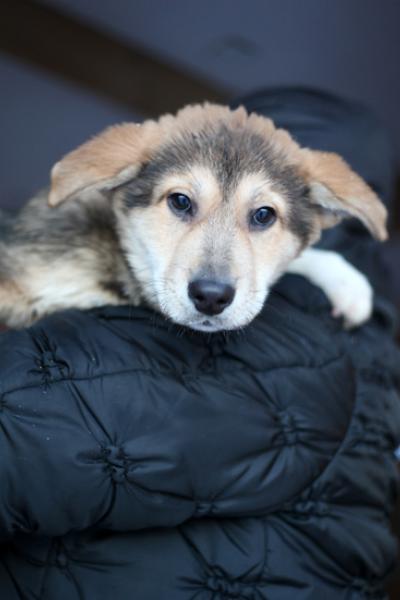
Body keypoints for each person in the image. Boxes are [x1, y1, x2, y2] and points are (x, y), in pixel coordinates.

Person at [0, 88, 399, 600]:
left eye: (261, 216)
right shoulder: (354, 327)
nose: (214, 277)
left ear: (322, 215)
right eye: (182, 203)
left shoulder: (298, 338)